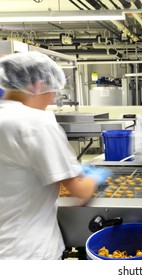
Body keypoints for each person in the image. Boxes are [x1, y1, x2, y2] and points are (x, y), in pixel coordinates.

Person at [0, 51, 110, 260]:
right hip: (28, 252)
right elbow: (80, 192)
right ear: (37, 85)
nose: (52, 100)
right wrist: (94, 178)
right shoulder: (36, 122)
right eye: (52, 93)